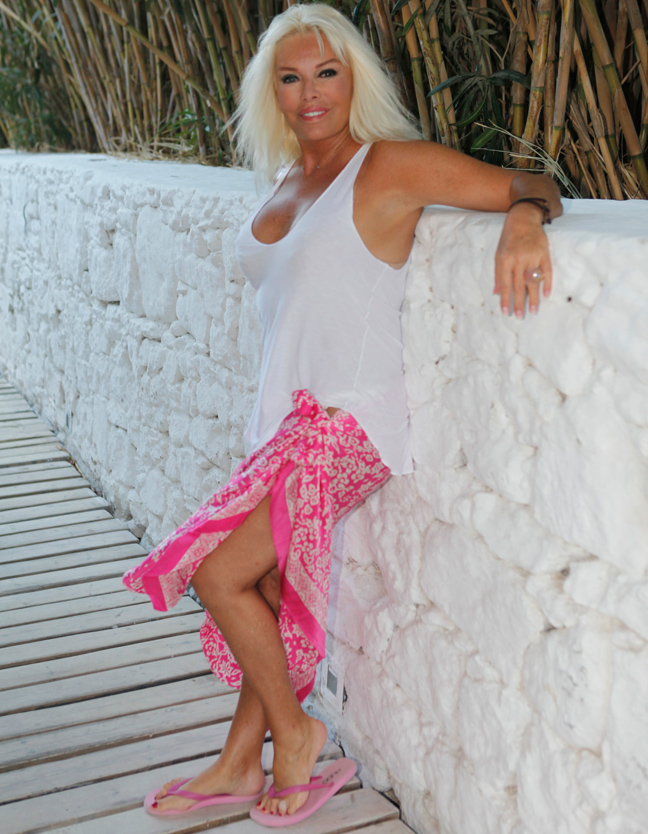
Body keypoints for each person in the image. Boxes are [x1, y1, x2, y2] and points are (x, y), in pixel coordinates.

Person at [123, 3, 562, 827]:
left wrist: (525, 223)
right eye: (291, 78)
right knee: (261, 579)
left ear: (355, 78)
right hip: (283, 424)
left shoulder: (387, 166)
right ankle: (237, 761)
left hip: (349, 422)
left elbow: (529, 182)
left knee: (216, 572)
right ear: (272, 94)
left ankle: (296, 735)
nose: (311, 92)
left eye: (327, 72)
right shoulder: (285, 181)